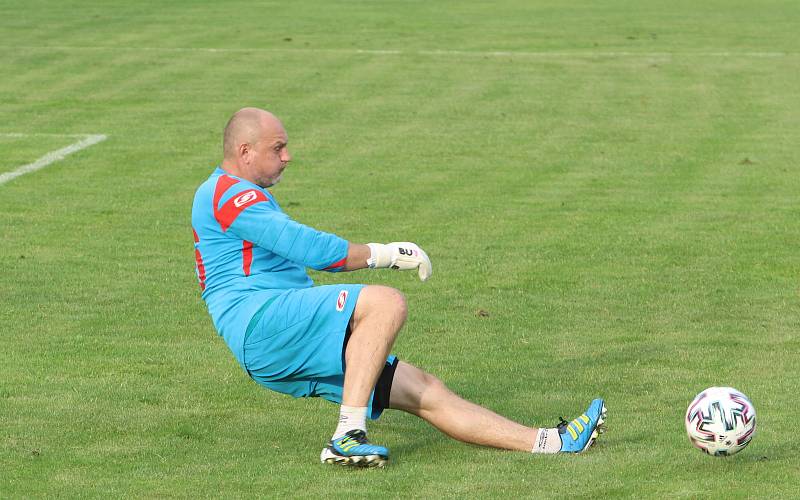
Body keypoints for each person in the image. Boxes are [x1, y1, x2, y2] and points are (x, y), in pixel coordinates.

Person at [191, 107, 606, 468]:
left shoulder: (238, 195)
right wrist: (383, 253)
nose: (288, 156)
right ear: (244, 152)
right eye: (277, 148)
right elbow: (306, 247)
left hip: (276, 341)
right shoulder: (225, 193)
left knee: (422, 389)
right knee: (385, 302)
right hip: (262, 325)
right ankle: (348, 435)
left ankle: (551, 443)